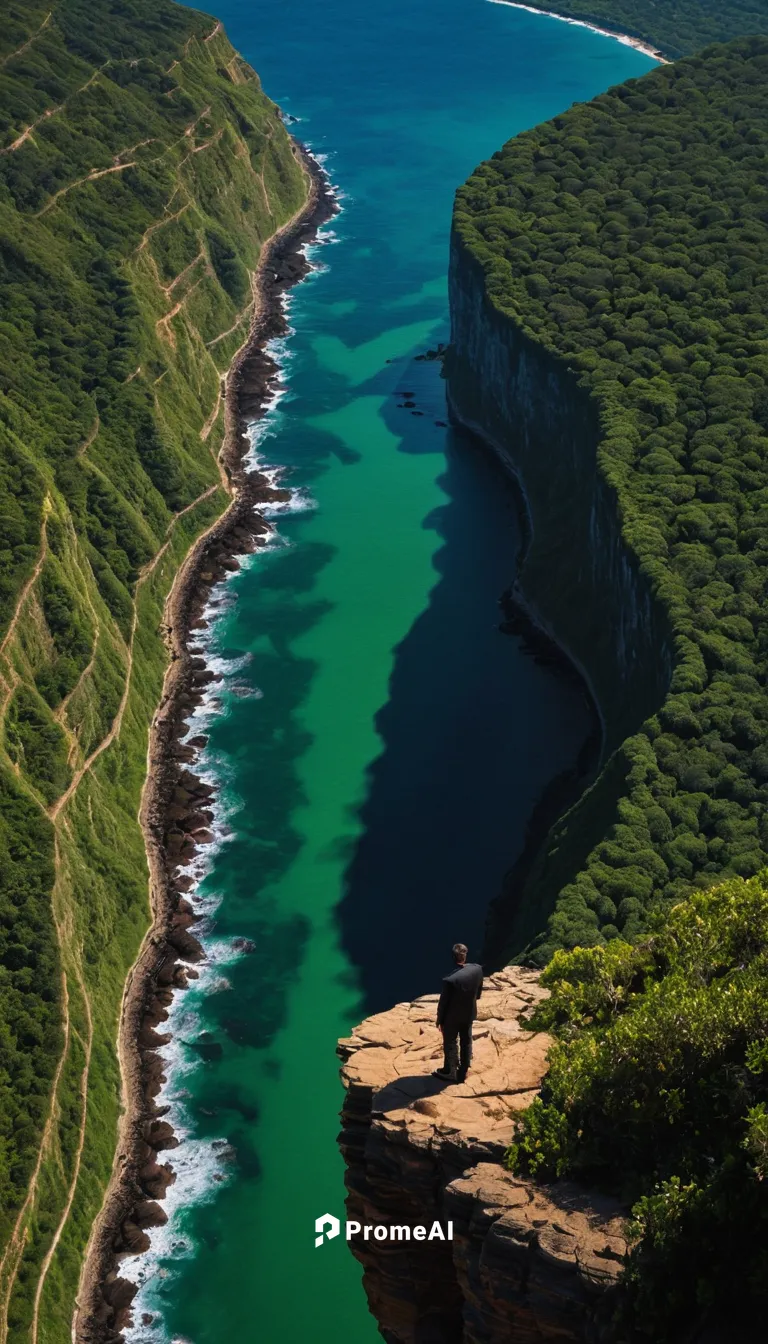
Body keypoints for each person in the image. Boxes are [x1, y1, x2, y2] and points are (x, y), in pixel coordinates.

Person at [433, 943, 483, 1083]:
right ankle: (464, 1069)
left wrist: (440, 1021)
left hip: (452, 1018)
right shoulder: (477, 969)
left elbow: (443, 1004)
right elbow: (478, 994)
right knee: (466, 1040)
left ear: (454, 957)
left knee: (450, 1042)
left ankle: (450, 1072)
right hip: (469, 1013)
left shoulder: (450, 980)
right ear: (465, 954)